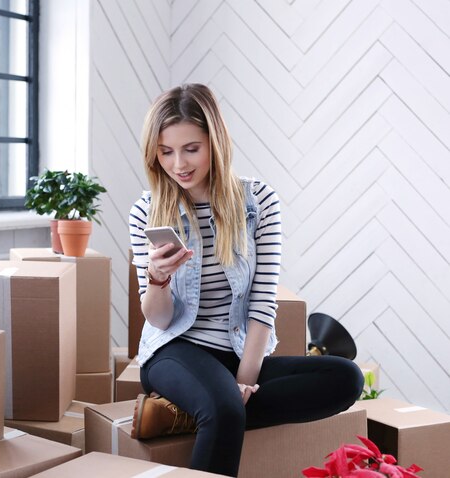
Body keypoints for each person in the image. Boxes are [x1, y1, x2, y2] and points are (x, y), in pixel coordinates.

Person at [128, 83, 363, 477]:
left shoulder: (259, 203)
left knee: (345, 378)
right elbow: (159, 320)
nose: (178, 164)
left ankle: (193, 414)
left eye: (191, 149)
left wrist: (244, 382)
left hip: (237, 352)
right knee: (223, 409)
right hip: (175, 350)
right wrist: (157, 279)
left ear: (214, 142)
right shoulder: (147, 211)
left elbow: (262, 302)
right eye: (166, 151)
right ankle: (214, 410)